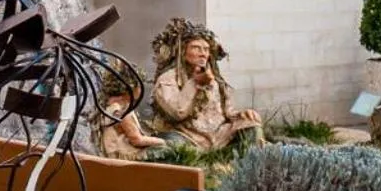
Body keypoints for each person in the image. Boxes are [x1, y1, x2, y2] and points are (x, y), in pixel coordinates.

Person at [148, 18, 264, 152]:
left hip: (219, 136)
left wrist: (242, 115)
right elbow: (176, 112)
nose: (203, 54)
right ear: (183, 52)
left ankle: (252, 163)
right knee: (168, 145)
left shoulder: (215, 80)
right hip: (187, 136)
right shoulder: (168, 79)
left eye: (206, 49)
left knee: (251, 125)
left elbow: (228, 112)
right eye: (196, 48)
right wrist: (195, 83)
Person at [95, 73, 170, 160]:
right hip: (124, 156)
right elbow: (136, 139)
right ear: (130, 87)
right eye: (139, 84)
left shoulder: (110, 104)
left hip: (118, 152)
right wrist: (164, 142)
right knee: (168, 152)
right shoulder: (121, 109)